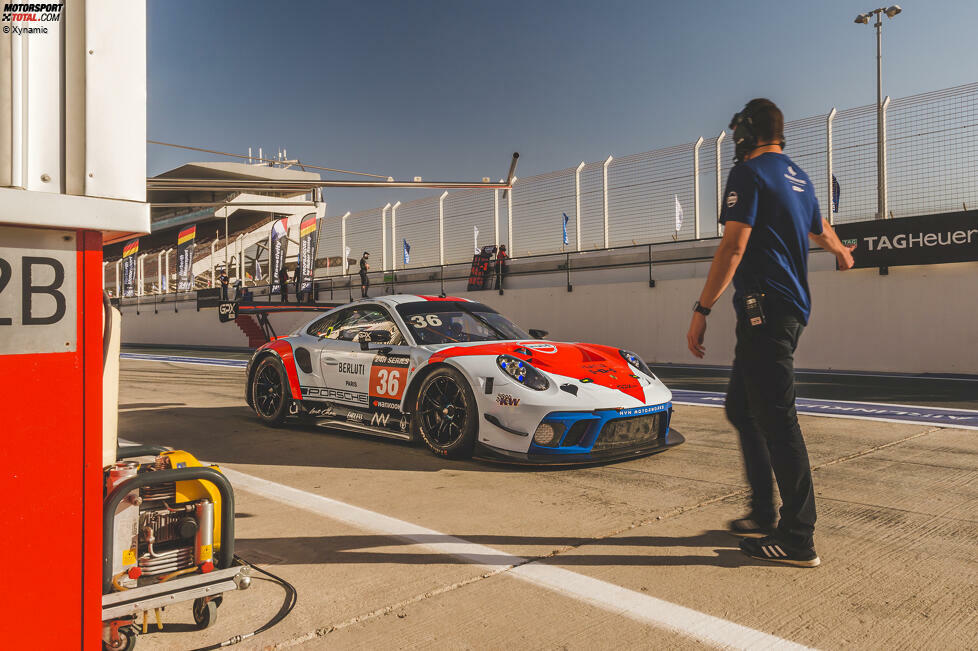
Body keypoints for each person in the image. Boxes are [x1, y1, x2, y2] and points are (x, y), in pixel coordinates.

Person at [685, 98, 855, 568]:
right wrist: (841, 251)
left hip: (766, 311)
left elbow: (734, 245)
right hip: (787, 308)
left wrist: (702, 308)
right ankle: (763, 511)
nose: (735, 138)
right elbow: (819, 226)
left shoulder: (749, 173)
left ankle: (798, 537)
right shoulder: (798, 176)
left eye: (738, 130)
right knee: (742, 408)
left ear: (749, 132)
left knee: (778, 420)